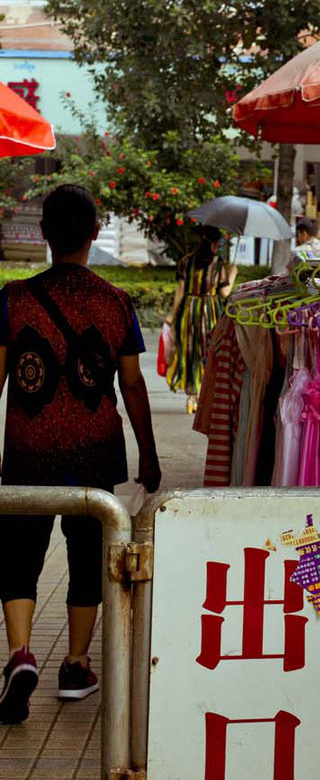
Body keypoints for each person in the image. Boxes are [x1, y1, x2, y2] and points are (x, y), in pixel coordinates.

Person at [0, 184, 161, 724]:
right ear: (95, 234)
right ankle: (74, 664)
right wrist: (150, 454)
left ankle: (21, 655)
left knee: (19, 557)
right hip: (94, 453)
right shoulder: (115, 301)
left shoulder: (15, 299)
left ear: (44, 234)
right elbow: (134, 386)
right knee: (86, 558)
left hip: (27, 451)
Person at [164, 225, 236, 413]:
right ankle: (204, 397)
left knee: (190, 351)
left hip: (188, 310)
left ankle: (191, 398)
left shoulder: (186, 261)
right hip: (209, 311)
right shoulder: (218, 263)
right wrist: (233, 274)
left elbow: (180, 292)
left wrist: (171, 316)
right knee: (208, 352)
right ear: (213, 244)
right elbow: (224, 293)